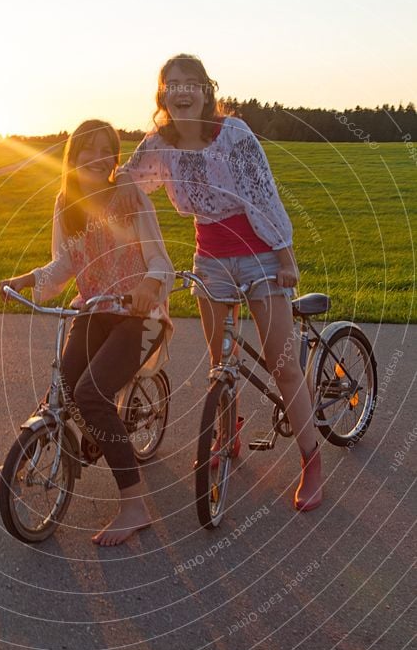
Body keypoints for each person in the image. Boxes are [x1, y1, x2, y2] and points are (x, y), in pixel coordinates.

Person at [113, 54, 322, 511]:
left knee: (282, 363)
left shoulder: (235, 135)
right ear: (163, 95)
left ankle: (311, 459)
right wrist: (108, 180)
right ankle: (228, 434)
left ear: (207, 91)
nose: (182, 90)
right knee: (218, 361)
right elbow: (129, 177)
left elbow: (262, 193)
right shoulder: (159, 144)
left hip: (260, 256)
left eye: (191, 82)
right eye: (172, 84)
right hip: (209, 259)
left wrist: (284, 254)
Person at [0, 120, 175, 544]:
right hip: (94, 309)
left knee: (90, 395)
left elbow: (162, 262)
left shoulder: (130, 198)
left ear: (115, 158)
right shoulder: (65, 203)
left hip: (139, 316)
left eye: (106, 150)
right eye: (87, 151)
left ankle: (134, 505)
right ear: (73, 157)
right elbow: (64, 265)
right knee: (63, 386)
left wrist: (148, 286)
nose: (96, 159)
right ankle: (23, 457)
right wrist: (27, 279)